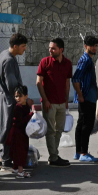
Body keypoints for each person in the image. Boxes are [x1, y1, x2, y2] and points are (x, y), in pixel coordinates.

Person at [0, 33, 29, 171]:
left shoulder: (5, 54)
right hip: (9, 100)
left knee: (7, 128)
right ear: (15, 46)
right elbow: (12, 86)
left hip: (3, 98)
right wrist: (24, 98)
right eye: (23, 46)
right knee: (10, 130)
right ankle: (6, 159)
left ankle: (6, 157)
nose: (24, 49)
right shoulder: (9, 60)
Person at [36, 37, 72, 168]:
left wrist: (66, 100)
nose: (50, 50)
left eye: (53, 48)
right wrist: (45, 100)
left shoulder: (67, 63)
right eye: (49, 48)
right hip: (49, 103)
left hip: (62, 103)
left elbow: (67, 83)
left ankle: (54, 155)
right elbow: (38, 82)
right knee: (50, 131)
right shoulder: (45, 62)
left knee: (59, 129)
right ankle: (54, 157)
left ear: (61, 50)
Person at [72, 35, 98, 163]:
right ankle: (84, 152)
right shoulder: (85, 60)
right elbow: (76, 78)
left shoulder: (88, 59)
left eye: (95, 46)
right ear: (85, 46)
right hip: (86, 98)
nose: (94, 48)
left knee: (82, 124)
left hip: (88, 97)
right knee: (86, 126)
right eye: (92, 45)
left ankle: (79, 152)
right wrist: (80, 94)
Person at [6, 86, 33, 178]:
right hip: (18, 133)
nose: (17, 98)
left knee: (17, 151)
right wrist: (31, 114)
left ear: (26, 96)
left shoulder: (25, 105)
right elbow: (21, 121)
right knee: (20, 152)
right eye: (16, 96)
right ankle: (20, 172)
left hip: (22, 132)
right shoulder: (18, 107)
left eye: (19, 96)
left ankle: (15, 168)